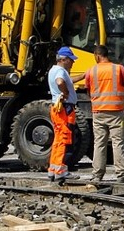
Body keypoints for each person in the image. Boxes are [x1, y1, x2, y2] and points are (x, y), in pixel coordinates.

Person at [84, 44, 124, 183]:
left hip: (98, 112)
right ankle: (122, 174)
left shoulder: (91, 71)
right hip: (116, 112)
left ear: (97, 56)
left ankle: (97, 174)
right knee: (118, 143)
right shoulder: (119, 69)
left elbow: (88, 90)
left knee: (99, 143)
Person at [47, 46, 79, 184]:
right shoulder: (60, 71)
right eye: (71, 60)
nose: (73, 63)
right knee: (65, 139)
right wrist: (65, 93)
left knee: (58, 139)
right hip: (65, 109)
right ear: (64, 59)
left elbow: (65, 81)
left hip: (57, 108)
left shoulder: (53, 70)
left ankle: (53, 170)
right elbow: (60, 82)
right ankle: (61, 171)